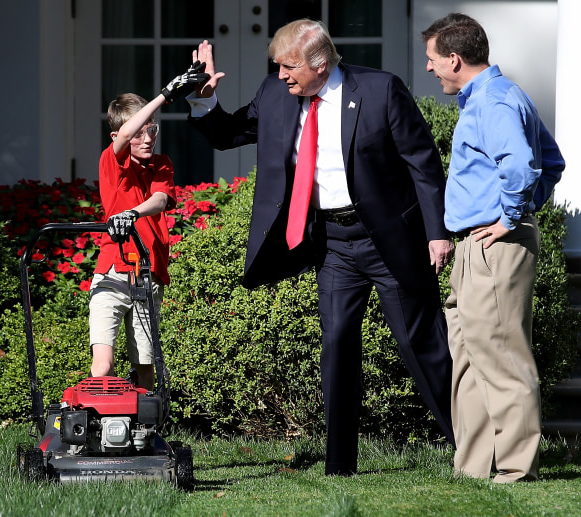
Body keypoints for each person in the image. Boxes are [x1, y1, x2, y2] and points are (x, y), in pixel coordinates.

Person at [186, 19, 455, 476]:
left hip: (388, 239)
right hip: (331, 244)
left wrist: (438, 231)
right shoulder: (276, 94)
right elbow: (228, 134)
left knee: (421, 344)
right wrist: (205, 98)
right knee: (337, 346)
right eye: (278, 66)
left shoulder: (380, 89)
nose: (282, 74)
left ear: (320, 63)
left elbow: (423, 163)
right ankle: (339, 465)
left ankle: (470, 444)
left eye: (289, 66)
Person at [422, 13, 565, 482]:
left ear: (455, 59)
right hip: (473, 245)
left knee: (501, 356)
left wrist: (511, 218)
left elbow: (525, 165)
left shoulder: (496, 101)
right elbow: (552, 160)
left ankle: (516, 471)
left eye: (432, 60)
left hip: (494, 244)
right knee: (467, 358)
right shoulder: (487, 98)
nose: (429, 69)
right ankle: (475, 469)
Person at [88, 66, 204, 389]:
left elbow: (159, 199)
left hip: (147, 275)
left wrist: (133, 213)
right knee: (103, 365)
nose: (147, 137)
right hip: (111, 274)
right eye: (140, 131)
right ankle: (102, 430)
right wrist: (166, 95)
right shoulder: (111, 162)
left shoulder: (161, 164)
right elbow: (125, 135)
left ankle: (140, 431)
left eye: (152, 129)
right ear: (119, 136)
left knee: (145, 367)